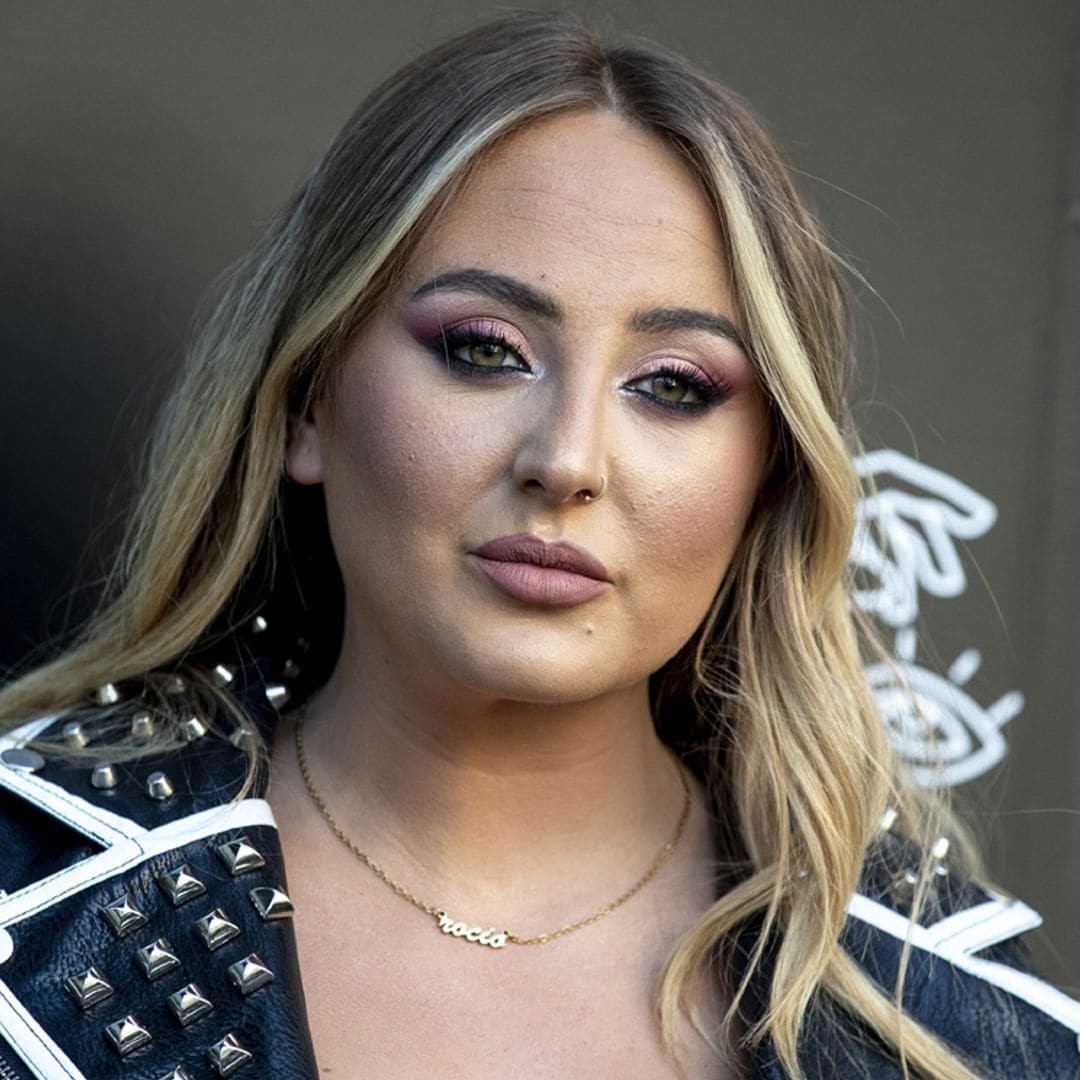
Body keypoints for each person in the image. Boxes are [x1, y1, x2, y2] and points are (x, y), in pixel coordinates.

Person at [0, 11, 1076, 1080]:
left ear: (768, 476)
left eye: (673, 385)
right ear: (306, 401)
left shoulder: (977, 1031)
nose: (566, 461)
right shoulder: (31, 919)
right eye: (485, 349)